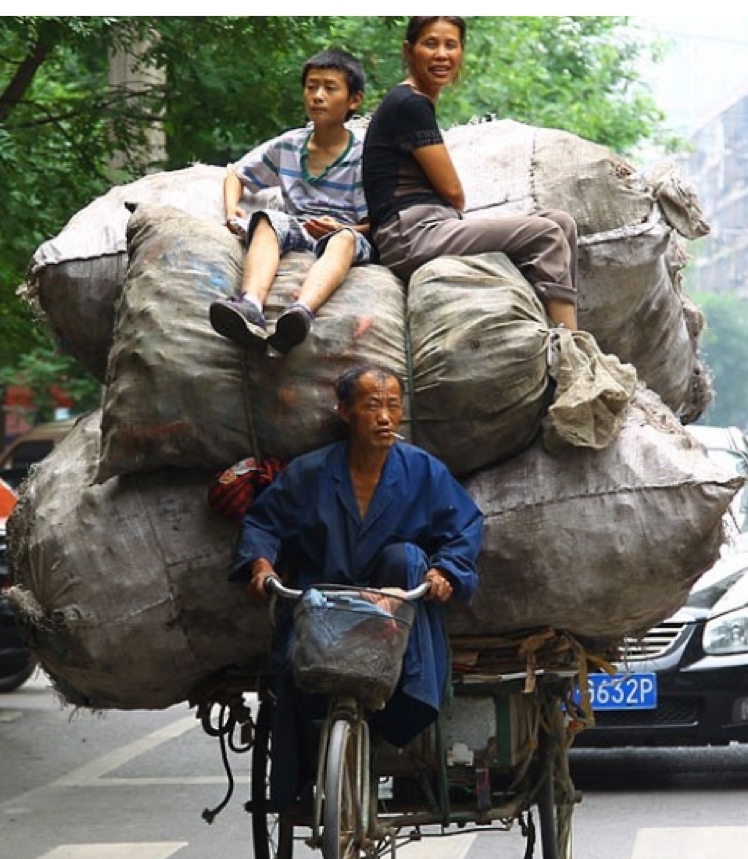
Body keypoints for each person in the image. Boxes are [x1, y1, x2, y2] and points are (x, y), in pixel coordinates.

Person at [229, 363, 484, 809]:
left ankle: (400, 714)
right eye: (371, 406)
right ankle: (294, 788)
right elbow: (263, 522)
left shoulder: (423, 471)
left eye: (392, 406)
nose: (384, 417)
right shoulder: (310, 473)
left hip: (395, 617)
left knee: (406, 556)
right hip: (324, 611)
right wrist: (261, 567)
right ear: (345, 411)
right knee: (290, 675)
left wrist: (446, 572)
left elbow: (464, 528)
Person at [361, 16, 580, 332]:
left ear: (462, 52)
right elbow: (453, 193)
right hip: (413, 236)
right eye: (430, 43)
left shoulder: (412, 103)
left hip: (426, 226)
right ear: (409, 51)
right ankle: (574, 350)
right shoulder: (410, 104)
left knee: (561, 223)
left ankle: (546, 330)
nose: (441, 54)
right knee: (546, 234)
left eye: (451, 45)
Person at [209, 49, 374, 356]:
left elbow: (378, 223)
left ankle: (300, 313)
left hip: (346, 231)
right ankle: (251, 305)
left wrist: (343, 227)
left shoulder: (366, 153)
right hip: (298, 225)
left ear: (354, 100)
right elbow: (237, 174)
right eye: (311, 87)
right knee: (268, 219)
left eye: (330, 88)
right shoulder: (289, 144)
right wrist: (232, 208)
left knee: (343, 240)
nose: (318, 96)